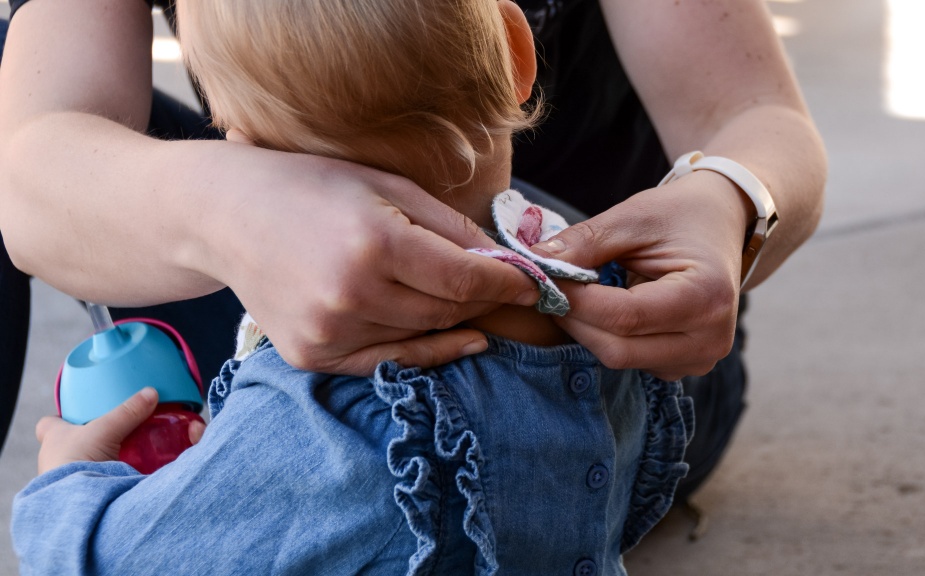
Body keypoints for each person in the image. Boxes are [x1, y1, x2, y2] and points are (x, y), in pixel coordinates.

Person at [0, 0, 826, 517]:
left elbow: (757, 115)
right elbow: (30, 173)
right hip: (287, 323)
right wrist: (228, 205)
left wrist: (732, 198)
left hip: (636, 377)